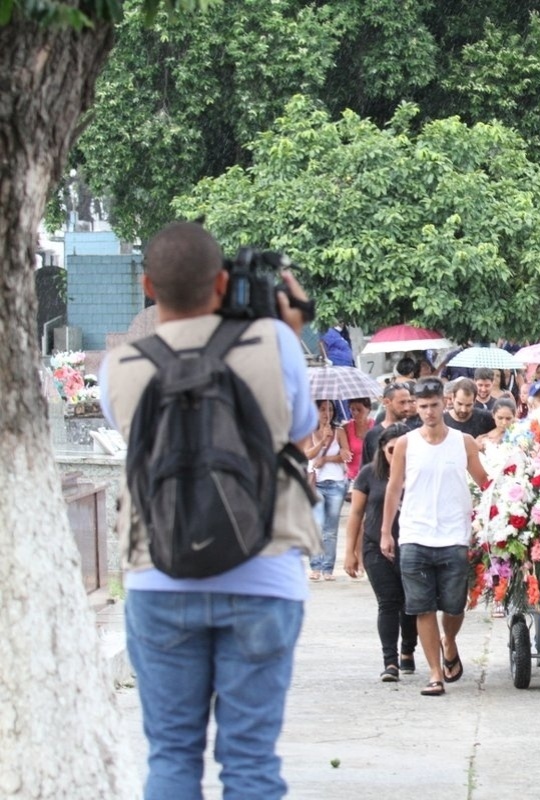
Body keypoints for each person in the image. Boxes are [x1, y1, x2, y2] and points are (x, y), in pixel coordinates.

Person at [100, 221, 318, 798]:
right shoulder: (272, 342)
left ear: (148, 286)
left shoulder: (118, 369)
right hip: (265, 573)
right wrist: (283, 330)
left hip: (159, 572)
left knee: (171, 755)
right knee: (250, 761)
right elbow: (299, 432)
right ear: (223, 282)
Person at [380, 377, 489, 696]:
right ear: (416, 406)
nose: (428, 411)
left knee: (454, 607)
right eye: (422, 406)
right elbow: (393, 488)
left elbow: (484, 480)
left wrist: (510, 500)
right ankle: (434, 673)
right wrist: (386, 531)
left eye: (433, 405)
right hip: (415, 534)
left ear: (445, 402)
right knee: (421, 607)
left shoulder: (463, 441)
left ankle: (449, 641)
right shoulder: (406, 443)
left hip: (455, 536)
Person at [343, 424, 419, 680]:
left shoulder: (419, 472)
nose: (397, 455)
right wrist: (350, 552)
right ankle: (390, 662)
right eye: (391, 450)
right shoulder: (368, 474)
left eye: (403, 450)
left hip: (412, 545)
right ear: (382, 449)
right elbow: (355, 514)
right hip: (376, 547)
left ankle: (408, 650)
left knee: (411, 603)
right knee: (388, 602)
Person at [306, 399, 350, 581]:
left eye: (330, 409)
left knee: (330, 530)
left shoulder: (339, 431)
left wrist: (327, 459)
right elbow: (308, 454)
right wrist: (322, 441)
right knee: (316, 525)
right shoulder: (308, 432)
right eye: (323, 409)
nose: (327, 413)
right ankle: (315, 566)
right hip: (314, 483)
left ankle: (328, 568)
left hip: (335, 482)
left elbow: (346, 455)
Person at [363, 381, 415, 465]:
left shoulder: (415, 430)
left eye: (409, 402)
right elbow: (366, 468)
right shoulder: (372, 435)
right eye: (402, 402)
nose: (407, 407)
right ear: (387, 402)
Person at [343, 397, 374, 482]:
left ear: (368, 410)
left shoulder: (376, 426)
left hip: (373, 476)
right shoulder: (345, 428)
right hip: (352, 478)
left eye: (359, 410)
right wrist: (342, 450)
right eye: (352, 409)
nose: (355, 413)